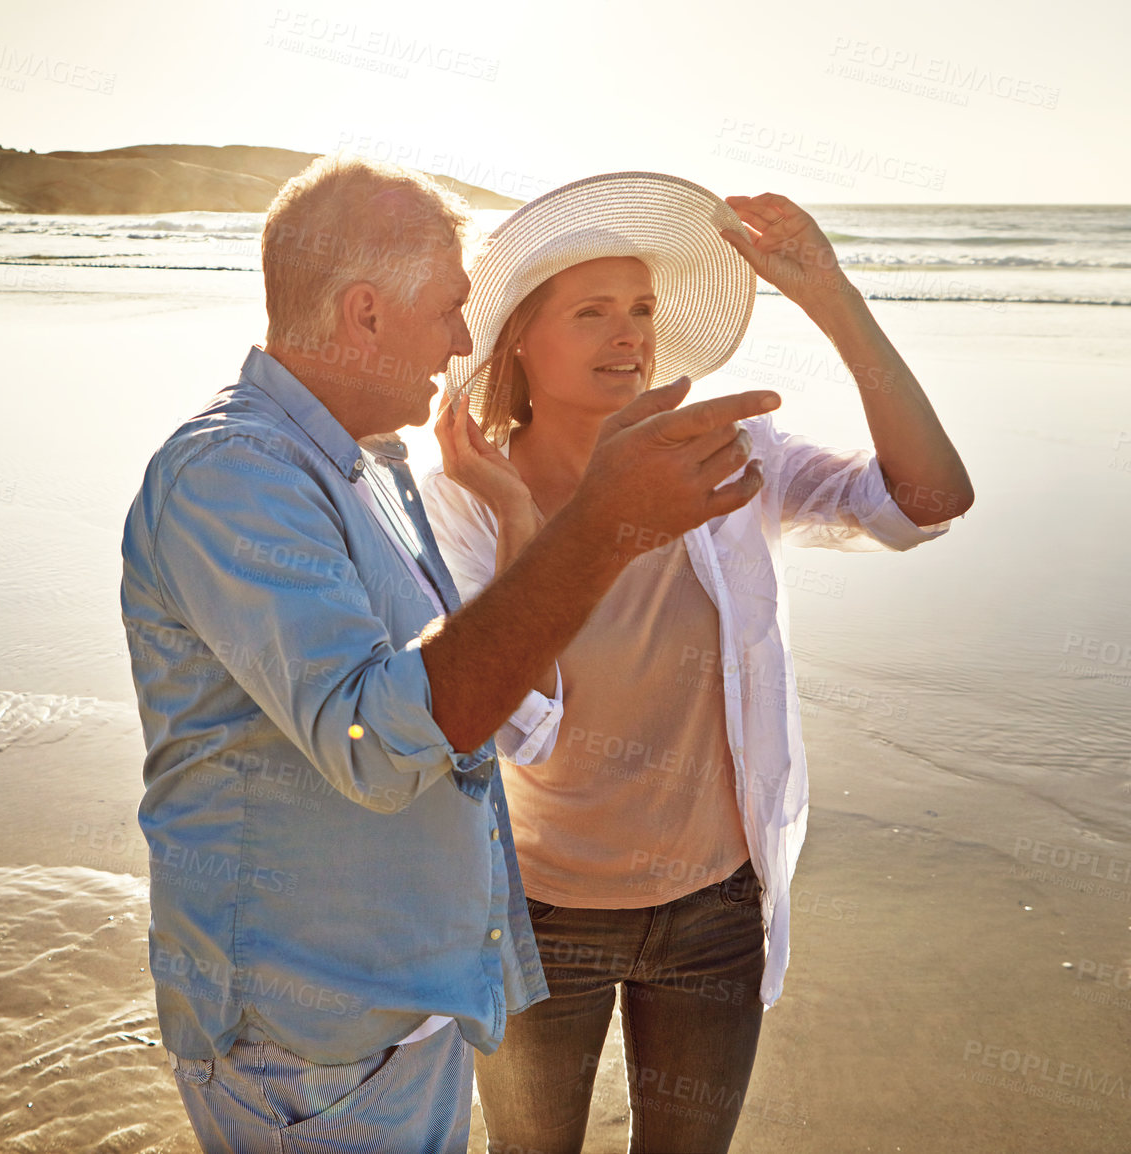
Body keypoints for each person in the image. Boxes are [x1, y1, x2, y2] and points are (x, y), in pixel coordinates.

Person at [119, 155, 779, 1153]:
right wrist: (598, 524)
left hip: (404, 1011)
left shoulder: (373, 467)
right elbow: (377, 740)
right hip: (311, 1045)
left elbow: (489, 707)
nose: (464, 341)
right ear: (365, 313)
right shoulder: (234, 474)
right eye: (447, 309)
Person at [420, 171, 973, 1153]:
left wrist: (834, 301)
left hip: (713, 906)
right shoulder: (465, 501)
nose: (630, 332)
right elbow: (514, 721)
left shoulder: (728, 449)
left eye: (640, 307)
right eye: (591, 311)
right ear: (519, 345)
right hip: (538, 914)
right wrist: (518, 520)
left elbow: (925, 500)